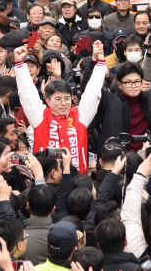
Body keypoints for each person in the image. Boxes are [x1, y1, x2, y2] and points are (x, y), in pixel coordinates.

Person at [14, 41, 107, 173]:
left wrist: (101, 62)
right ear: (48, 101)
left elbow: (94, 92)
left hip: (77, 180)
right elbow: (26, 93)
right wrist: (19, 64)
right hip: (46, 179)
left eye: (67, 98)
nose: (63, 103)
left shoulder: (80, 115)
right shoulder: (40, 115)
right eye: (58, 99)